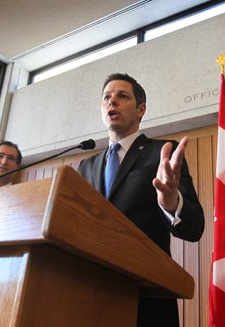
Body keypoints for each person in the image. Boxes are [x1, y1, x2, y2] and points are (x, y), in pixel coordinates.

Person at [78, 73, 205, 326]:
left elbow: (194, 227)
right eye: (107, 98)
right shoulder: (86, 165)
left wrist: (171, 203)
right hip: (91, 293)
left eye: (122, 96)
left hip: (146, 296)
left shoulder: (162, 152)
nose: (112, 102)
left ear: (140, 110)